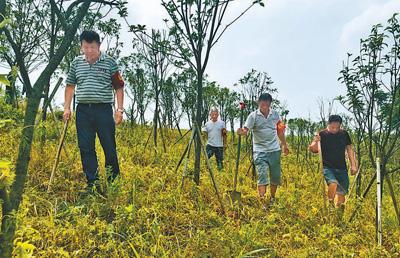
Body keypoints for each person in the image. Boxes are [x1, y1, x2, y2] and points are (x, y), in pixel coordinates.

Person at [63, 30, 125, 193]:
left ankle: (113, 184)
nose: (89, 50)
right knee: (85, 147)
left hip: (103, 110)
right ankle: (93, 183)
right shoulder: (76, 63)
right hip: (83, 110)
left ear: (99, 46)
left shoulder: (110, 62)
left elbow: (119, 87)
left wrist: (119, 110)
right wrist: (67, 108)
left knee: (109, 147)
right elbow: (70, 86)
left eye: (92, 47)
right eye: (86, 47)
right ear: (81, 46)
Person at [237, 93, 289, 206]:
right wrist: (242, 132)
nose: (264, 105)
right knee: (262, 175)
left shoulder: (275, 115)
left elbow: (280, 131)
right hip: (259, 151)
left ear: (270, 104)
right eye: (262, 103)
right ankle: (262, 201)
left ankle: (272, 198)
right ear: (258, 103)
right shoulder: (253, 116)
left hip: (274, 150)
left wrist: (284, 144)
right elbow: (246, 130)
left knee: (275, 176)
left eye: (267, 103)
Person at [309, 115, 357, 211]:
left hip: (342, 168)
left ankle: (339, 214)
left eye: (337, 128)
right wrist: (315, 141)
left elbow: (349, 149)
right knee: (333, 183)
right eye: (332, 127)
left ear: (340, 126)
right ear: (328, 124)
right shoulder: (322, 134)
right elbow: (313, 149)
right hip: (328, 167)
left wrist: (353, 165)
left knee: (342, 194)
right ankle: (331, 205)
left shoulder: (344, 134)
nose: (335, 130)